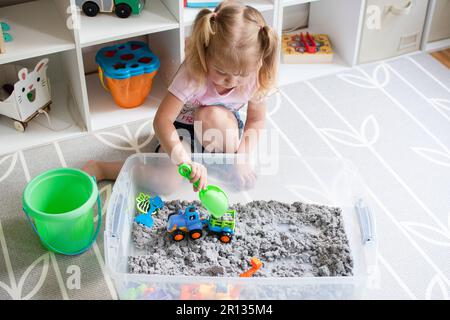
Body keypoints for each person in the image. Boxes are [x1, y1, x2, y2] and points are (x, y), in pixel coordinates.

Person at [82, 0, 278, 192]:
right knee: (164, 184)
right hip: (180, 131)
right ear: (205, 53)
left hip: (217, 127)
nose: (232, 81)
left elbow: (256, 120)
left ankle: (216, 162)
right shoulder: (193, 73)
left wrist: (241, 158)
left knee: (212, 117)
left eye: (241, 75)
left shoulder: (257, 75)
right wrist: (184, 160)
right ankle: (103, 168)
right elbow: (162, 121)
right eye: (221, 71)